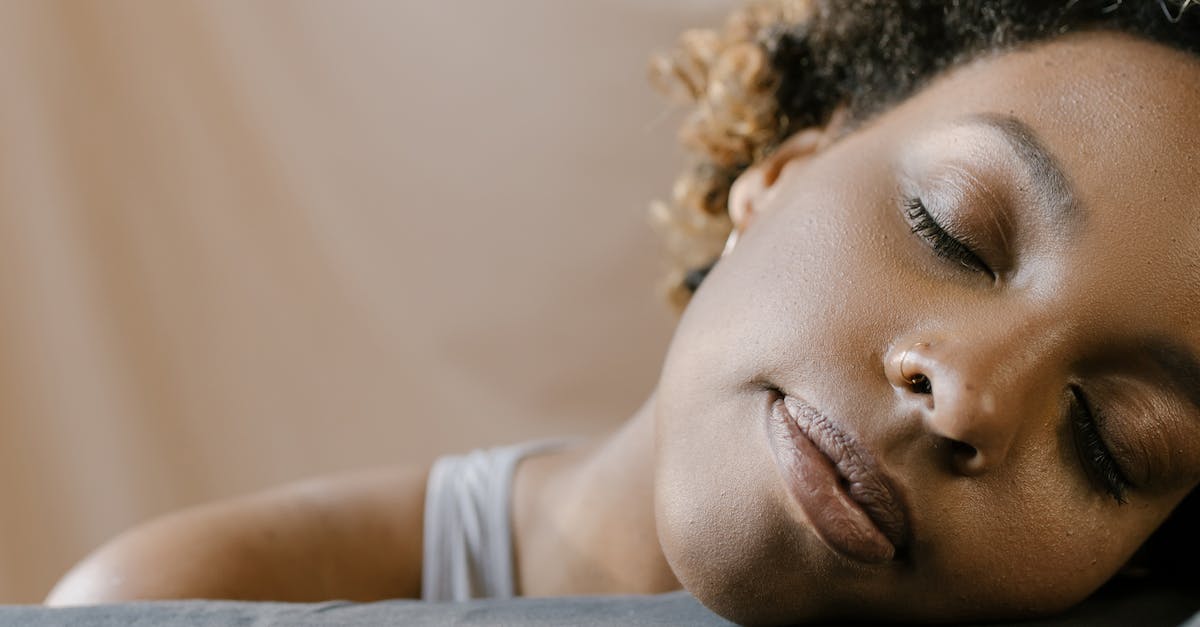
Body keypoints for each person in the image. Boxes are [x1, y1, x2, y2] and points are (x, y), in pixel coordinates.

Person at [45, 1, 1200, 624]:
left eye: (1112, 442)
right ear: (781, 175)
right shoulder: (190, 602)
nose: (971, 391)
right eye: (953, 229)